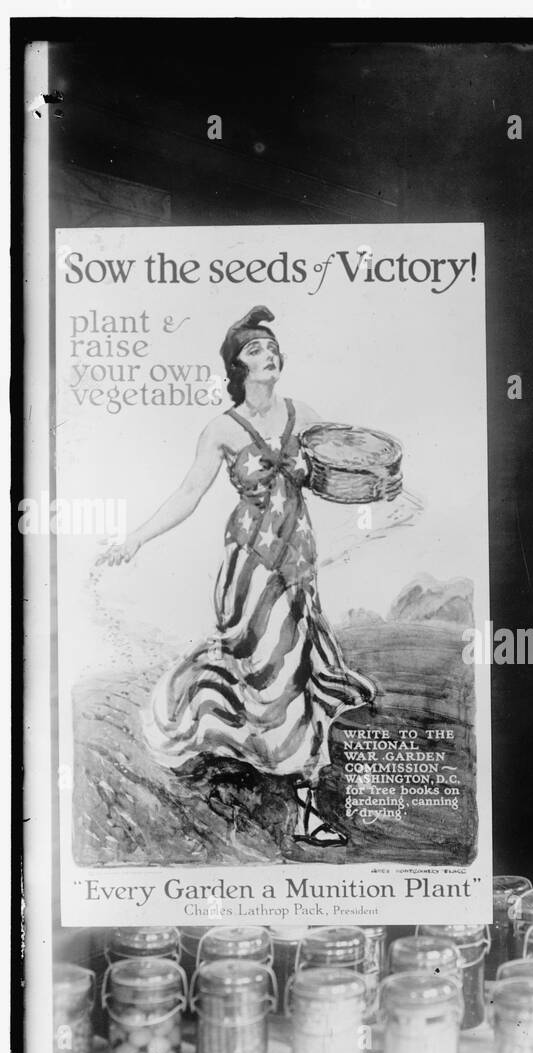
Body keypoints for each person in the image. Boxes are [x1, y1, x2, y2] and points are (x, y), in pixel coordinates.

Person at [99, 305, 375, 847]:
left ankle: (305, 807)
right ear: (237, 366)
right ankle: (217, 743)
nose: (267, 354)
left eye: (272, 347)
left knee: (297, 678)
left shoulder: (306, 413)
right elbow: (187, 495)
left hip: (297, 565)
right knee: (261, 676)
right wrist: (136, 537)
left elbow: (337, 470)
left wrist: (370, 480)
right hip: (247, 571)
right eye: (255, 349)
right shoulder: (221, 429)